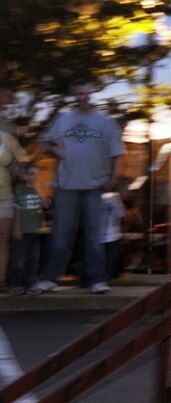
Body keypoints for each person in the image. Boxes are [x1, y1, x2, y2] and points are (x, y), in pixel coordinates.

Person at [34, 80, 124, 295]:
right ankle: (51, 279)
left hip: (94, 186)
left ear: (92, 93)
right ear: (73, 95)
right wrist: (56, 151)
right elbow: (44, 143)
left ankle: (97, 280)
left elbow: (117, 153)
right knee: (61, 235)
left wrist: (113, 177)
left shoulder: (105, 121)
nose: (83, 97)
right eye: (78, 93)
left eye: (86, 93)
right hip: (66, 186)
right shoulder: (63, 119)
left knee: (95, 236)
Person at [0, 124, 30, 289]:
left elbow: (24, 159)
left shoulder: (6, 138)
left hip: (5, 196)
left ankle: (1, 280)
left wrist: (17, 170)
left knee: (3, 238)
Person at [8, 165, 45, 295]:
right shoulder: (20, 190)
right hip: (23, 230)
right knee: (19, 259)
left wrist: (38, 189)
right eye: (29, 174)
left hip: (34, 231)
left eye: (35, 175)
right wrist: (17, 228)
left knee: (33, 260)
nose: (32, 177)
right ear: (25, 176)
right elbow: (17, 209)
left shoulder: (39, 191)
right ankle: (16, 284)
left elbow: (45, 204)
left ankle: (30, 284)